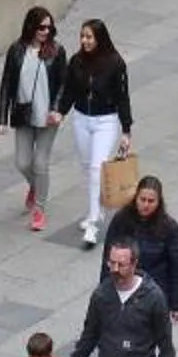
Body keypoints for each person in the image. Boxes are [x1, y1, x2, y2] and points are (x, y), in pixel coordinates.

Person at [53, 19, 134, 247]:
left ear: (99, 38)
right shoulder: (77, 62)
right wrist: (60, 112)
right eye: (83, 37)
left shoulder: (115, 64)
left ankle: (92, 224)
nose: (85, 41)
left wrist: (126, 130)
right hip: (81, 119)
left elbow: (122, 97)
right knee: (87, 166)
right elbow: (68, 90)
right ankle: (95, 209)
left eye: (89, 37)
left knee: (97, 168)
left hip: (105, 121)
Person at [0, 8, 66, 233]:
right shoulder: (17, 51)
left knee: (40, 163)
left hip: (47, 116)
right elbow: (7, 84)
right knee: (23, 162)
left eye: (49, 27)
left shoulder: (56, 51)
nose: (45, 32)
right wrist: (2, 118)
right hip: (24, 114)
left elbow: (64, 84)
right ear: (31, 27)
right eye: (41, 27)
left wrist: (57, 110)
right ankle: (36, 187)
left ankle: (39, 209)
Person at [109, 175, 178, 313]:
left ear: (159, 202)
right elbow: (109, 256)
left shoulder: (169, 228)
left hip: (155, 293)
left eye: (151, 201)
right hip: (124, 289)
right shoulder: (122, 220)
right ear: (136, 198)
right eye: (143, 200)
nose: (146, 205)